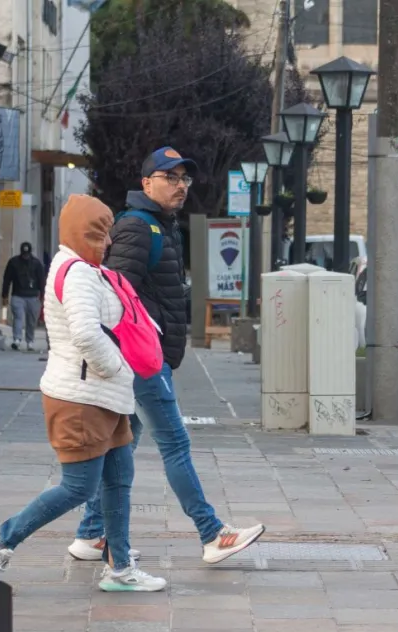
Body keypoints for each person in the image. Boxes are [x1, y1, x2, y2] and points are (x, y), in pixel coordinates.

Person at [68, 147, 265, 565]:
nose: (180, 186)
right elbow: (114, 296)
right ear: (146, 183)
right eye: (170, 177)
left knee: (121, 447)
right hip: (141, 362)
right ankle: (212, 533)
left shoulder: (163, 226)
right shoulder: (139, 228)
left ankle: (90, 533)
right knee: (175, 443)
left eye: (184, 179)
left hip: (147, 358)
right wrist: (128, 357)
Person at [0, 194, 166, 592]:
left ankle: (120, 567)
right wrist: (117, 368)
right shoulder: (77, 272)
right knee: (79, 486)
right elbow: (85, 334)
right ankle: (1, 539)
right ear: (83, 232)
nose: (108, 242)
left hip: (103, 397)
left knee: (119, 479)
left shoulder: (86, 269)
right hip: (82, 399)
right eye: (101, 233)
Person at [2, 241, 45, 351]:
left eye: (27, 254)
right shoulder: (13, 262)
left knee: (31, 321)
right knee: (18, 317)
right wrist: (4, 295)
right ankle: (17, 339)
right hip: (18, 295)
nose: (25, 256)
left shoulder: (36, 264)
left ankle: (30, 341)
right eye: (24, 254)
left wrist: (43, 296)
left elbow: (41, 280)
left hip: (33, 296)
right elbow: (7, 279)